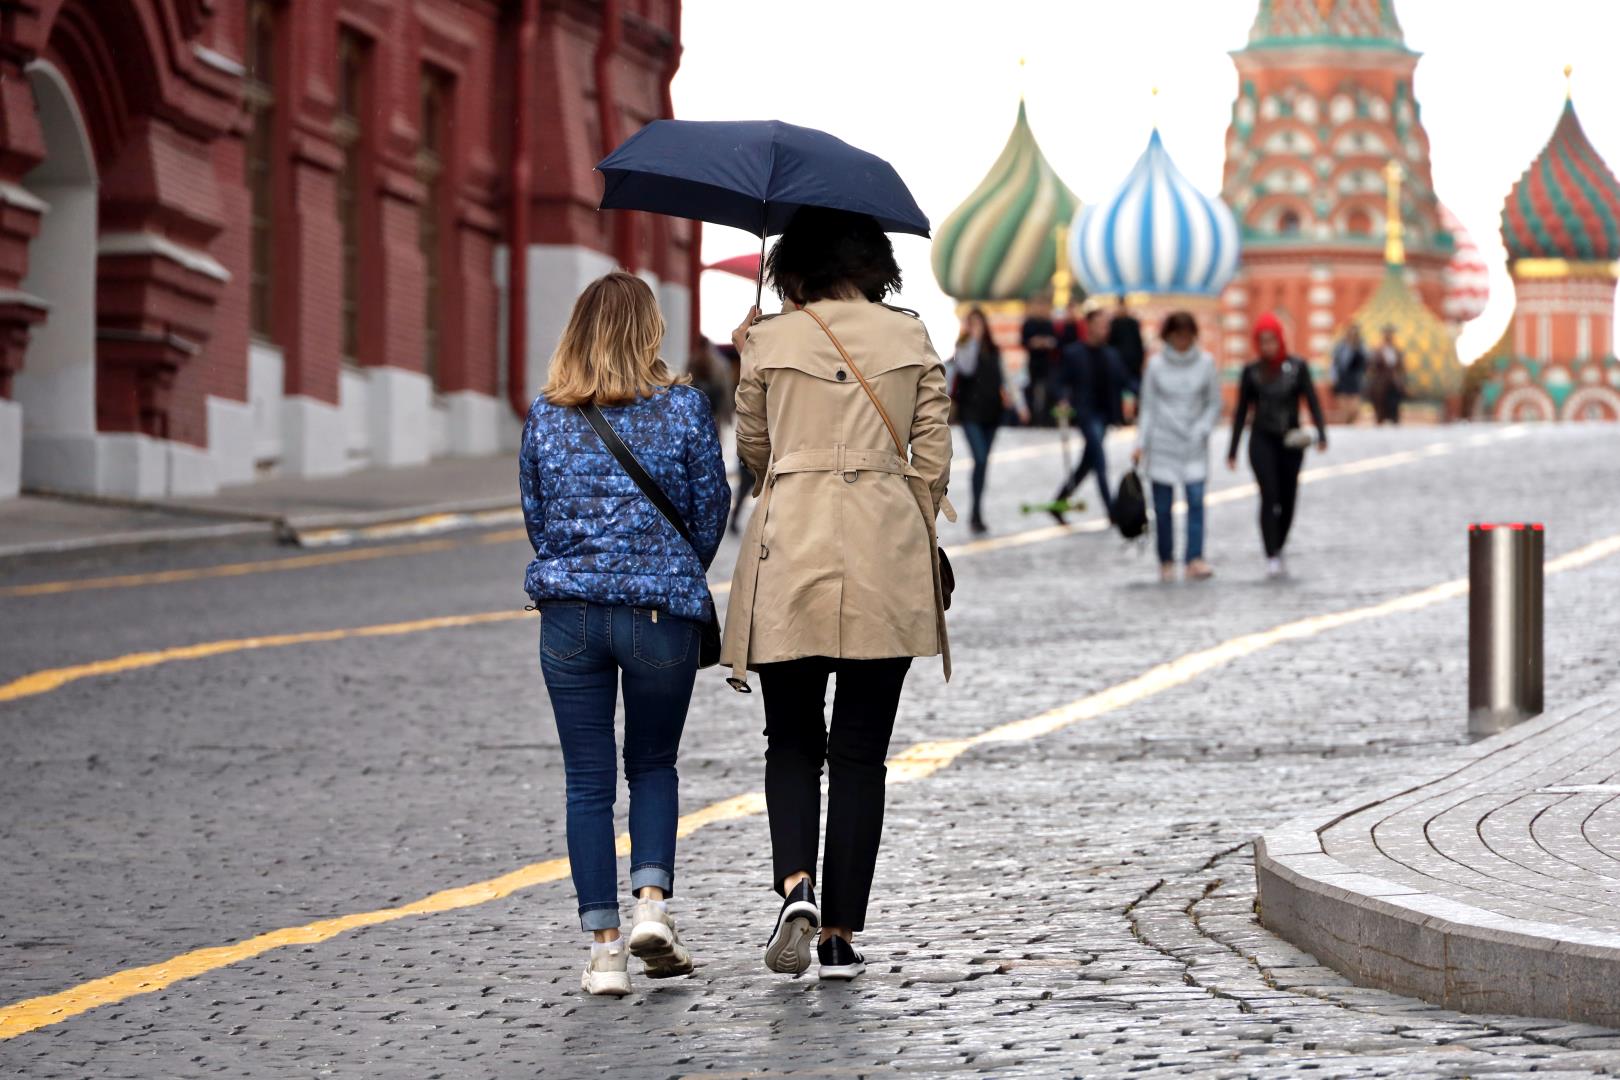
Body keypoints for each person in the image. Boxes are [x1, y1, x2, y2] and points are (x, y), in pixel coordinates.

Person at [722, 206, 952, 983]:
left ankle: (796, 887)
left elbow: (754, 451)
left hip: (792, 546)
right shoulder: (910, 335)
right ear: (874, 264)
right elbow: (935, 455)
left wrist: (751, 354)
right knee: (860, 753)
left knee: (789, 740)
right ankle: (841, 935)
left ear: (794, 269)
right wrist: (895, 502)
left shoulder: (769, 339)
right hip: (885, 551)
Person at [518, 271, 730, 996]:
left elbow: (537, 518)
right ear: (650, 332)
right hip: (657, 618)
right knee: (652, 765)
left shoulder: (546, 414)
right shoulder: (684, 410)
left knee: (586, 781)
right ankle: (652, 906)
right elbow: (710, 510)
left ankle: (605, 952)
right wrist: (671, 570)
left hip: (569, 618)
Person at [1226, 311, 1327, 578]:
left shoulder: (1297, 367)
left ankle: (1279, 543)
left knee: (1288, 497)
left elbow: (1312, 401)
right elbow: (1240, 411)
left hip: (1290, 441)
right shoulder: (1251, 373)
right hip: (1261, 439)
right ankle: (1271, 552)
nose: (1268, 346)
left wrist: (1321, 433)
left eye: (1272, 340)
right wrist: (1233, 449)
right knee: (1269, 494)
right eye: (1263, 341)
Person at [1134, 312, 1221, 582]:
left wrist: (1204, 428)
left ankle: (1194, 557)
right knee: (1162, 507)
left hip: (1194, 441)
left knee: (1195, 500)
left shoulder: (1206, 363)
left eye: (1186, 335)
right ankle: (1166, 559)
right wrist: (1141, 443)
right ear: (1168, 336)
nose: (1182, 341)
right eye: (1177, 335)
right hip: (1163, 442)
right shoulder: (1156, 366)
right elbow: (1147, 407)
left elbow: (1214, 403)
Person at [1051, 307, 1129, 524]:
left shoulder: (1111, 355)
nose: (1106, 329)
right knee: (1100, 460)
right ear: (1090, 325)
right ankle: (1112, 511)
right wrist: (1062, 398)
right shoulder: (1073, 353)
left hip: (1105, 416)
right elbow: (1058, 382)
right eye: (1102, 324)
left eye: (1107, 324)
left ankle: (1059, 502)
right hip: (1086, 414)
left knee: (1089, 462)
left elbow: (1126, 380)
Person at [951, 307, 1017, 534]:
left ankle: (977, 512)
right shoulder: (963, 346)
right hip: (971, 412)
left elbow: (1006, 378)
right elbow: (966, 368)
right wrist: (972, 341)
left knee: (984, 463)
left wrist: (1019, 404)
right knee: (979, 459)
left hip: (992, 412)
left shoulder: (994, 350)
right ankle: (975, 512)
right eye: (972, 323)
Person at [1019, 296, 1060, 426]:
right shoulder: (1029, 324)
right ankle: (1032, 419)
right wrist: (1034, 343)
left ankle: (1047, 419)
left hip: (1047, 363)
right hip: (1034, 363)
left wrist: (1045, 342)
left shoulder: (1049, 324)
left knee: (1049, 391)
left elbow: (1055, 342)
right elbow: (1024, 342)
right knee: (1031, 390)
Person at [1367, 324, 1405, 425]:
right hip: (1381, 383)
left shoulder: (1396, 350)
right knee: (1380, 407)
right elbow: (1372, 366)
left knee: (1394, 406)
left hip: (1393, 382)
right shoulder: (1378, 350)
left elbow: (1401, 367)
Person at [1330, 323, 1368, 423]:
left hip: (1355, 378)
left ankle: (1349, 423)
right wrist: (1333, 377)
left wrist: (1357, 345)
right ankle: (1347, 426)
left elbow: (1366, 360)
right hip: (1343, 378)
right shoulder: (1340, 346)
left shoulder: (1361, 346)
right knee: (1344, 408)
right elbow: (1335, 363)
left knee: (1355, 409)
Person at [1107, 295, 1146, 386]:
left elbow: (1138, 343)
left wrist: (1140, 361)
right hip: (1118, 363)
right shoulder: (1113, 323)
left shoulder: (1133, 323)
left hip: (1132, 364)